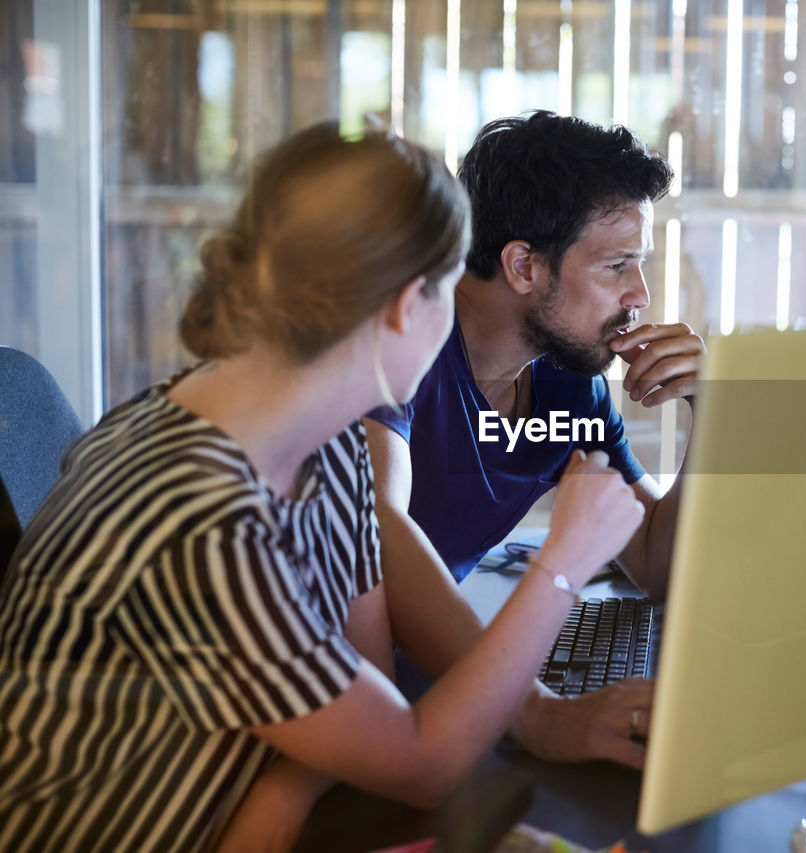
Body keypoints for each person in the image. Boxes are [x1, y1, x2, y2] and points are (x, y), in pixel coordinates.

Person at [0, 122, 643, 853]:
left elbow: (371, 692)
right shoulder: (193, 514)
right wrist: (564, 561)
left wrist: (283, 790)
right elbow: (420, 761)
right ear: (406, 307)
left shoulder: (327, 440)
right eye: (448, 288)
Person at [364, 111, 704, 768]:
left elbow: (657, 564)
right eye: (618, 265)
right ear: (522, 265)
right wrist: (535, 711)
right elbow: (377, 530)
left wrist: (716, 413)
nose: (641, 294)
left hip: (419, 672)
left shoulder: (565, 386)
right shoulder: (402, 341)